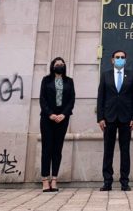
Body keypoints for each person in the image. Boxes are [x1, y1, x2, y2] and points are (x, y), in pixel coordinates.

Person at [97, 49, 133, 191]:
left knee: (125, 151)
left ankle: (124, 182)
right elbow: (101, 97)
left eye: (122, 57)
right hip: (109, 118)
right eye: (117, 57)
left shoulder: (132, 75)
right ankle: (107, 181)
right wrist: (100, 118)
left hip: (126, 119)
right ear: (112, 60)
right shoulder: (106, 75)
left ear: (125, 60)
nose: (120, 59)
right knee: (108, 151)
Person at [38, 56, 76, 193]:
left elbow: (71, 100)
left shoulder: (69, 81)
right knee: (46, 148)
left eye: (62, 64)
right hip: (47, 119)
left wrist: (64, 114)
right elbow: (42, 99)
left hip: (62, 119)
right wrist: (50, 114)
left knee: (57, 149)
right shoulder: (46, 80)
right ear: (53, 66)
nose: (59, 65)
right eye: (57, 63)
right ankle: (45, 179)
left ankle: (54, 179)